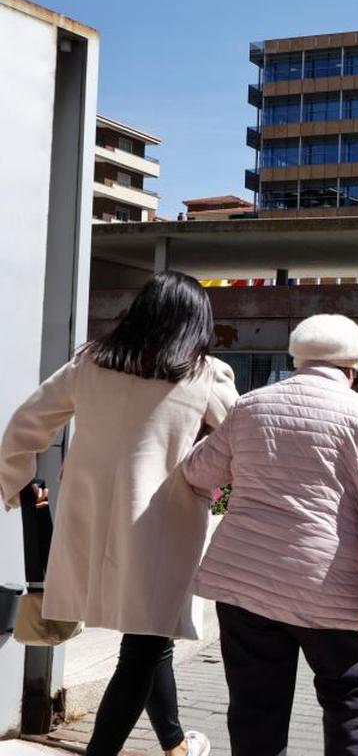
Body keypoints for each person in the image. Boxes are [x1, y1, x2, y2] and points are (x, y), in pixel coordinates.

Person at [0, 271, 237, 756]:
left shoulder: (91, 361)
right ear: (195, 321)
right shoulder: (203, 373)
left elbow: (25, 423)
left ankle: (174, 745)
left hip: (89, 522)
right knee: (146, 642)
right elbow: (247, 437)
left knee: (151, 639)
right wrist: (202, 471)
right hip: (163, 524)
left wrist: (18, 484)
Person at [182, 314, 358, 756]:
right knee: (346, 700)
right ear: (353, 369)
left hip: (245, 587)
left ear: (298, 360)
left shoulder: (250, 405)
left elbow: (198, 472)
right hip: (327, 591)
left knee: (256, 709)